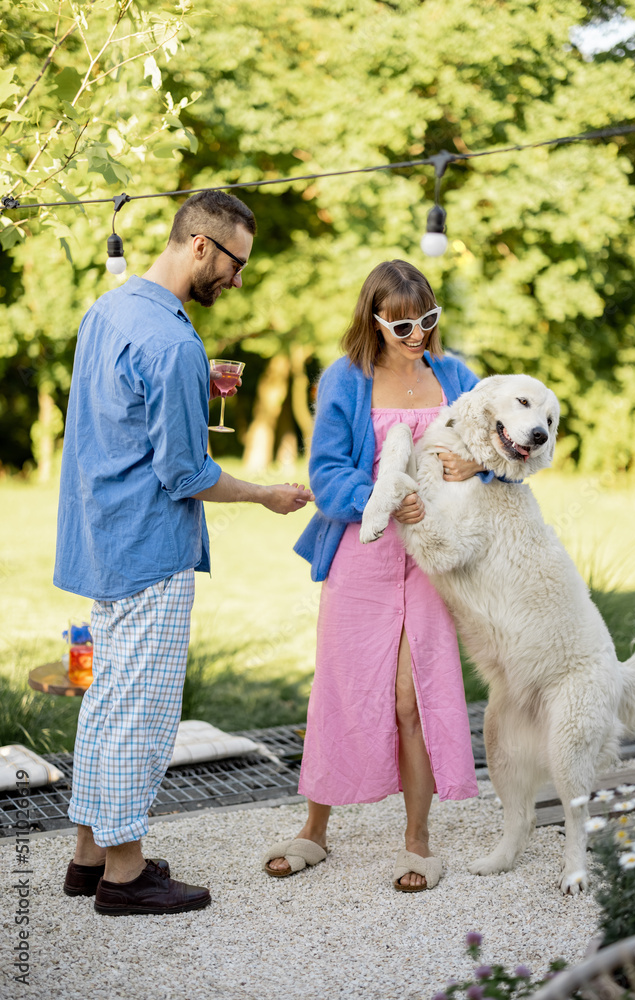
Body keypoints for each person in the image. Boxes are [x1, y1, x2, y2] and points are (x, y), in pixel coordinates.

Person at [54, 190, 313, 916]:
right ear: (201, 245)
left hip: (101, 539)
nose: (237, 278)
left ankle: (87, 858)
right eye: (235, 262)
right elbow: (184, 473)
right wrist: (265, 493)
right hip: (149, 549)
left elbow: (116, 424)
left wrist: (191, 392)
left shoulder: (110, 310)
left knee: (107, 702)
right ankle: (126, 876)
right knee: (141, 712)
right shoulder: (172, 342)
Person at [262, 260, 490, 891]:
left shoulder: (456, 376)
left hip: (435, 560)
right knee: (341, 687)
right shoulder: (345, 379)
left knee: (413, 698)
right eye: (403, 324)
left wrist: (481, 470)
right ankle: (314, 829)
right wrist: (381, 498)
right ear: (376, 319)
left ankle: (418, 842)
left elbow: (503, 440)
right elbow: (328, 473)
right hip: (363, 555)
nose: (418, 334)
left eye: (428, 320)